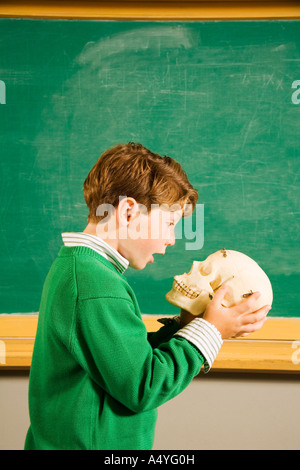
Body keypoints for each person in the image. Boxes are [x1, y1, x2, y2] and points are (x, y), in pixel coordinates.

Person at [24, 143, 270, 450]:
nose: (170, 239)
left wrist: (184, 327)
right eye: (169, 223)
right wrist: (212, 330)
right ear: (128, 211)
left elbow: (122, 362)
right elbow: (143, 385)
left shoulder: (80, 268)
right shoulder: (96, 285)